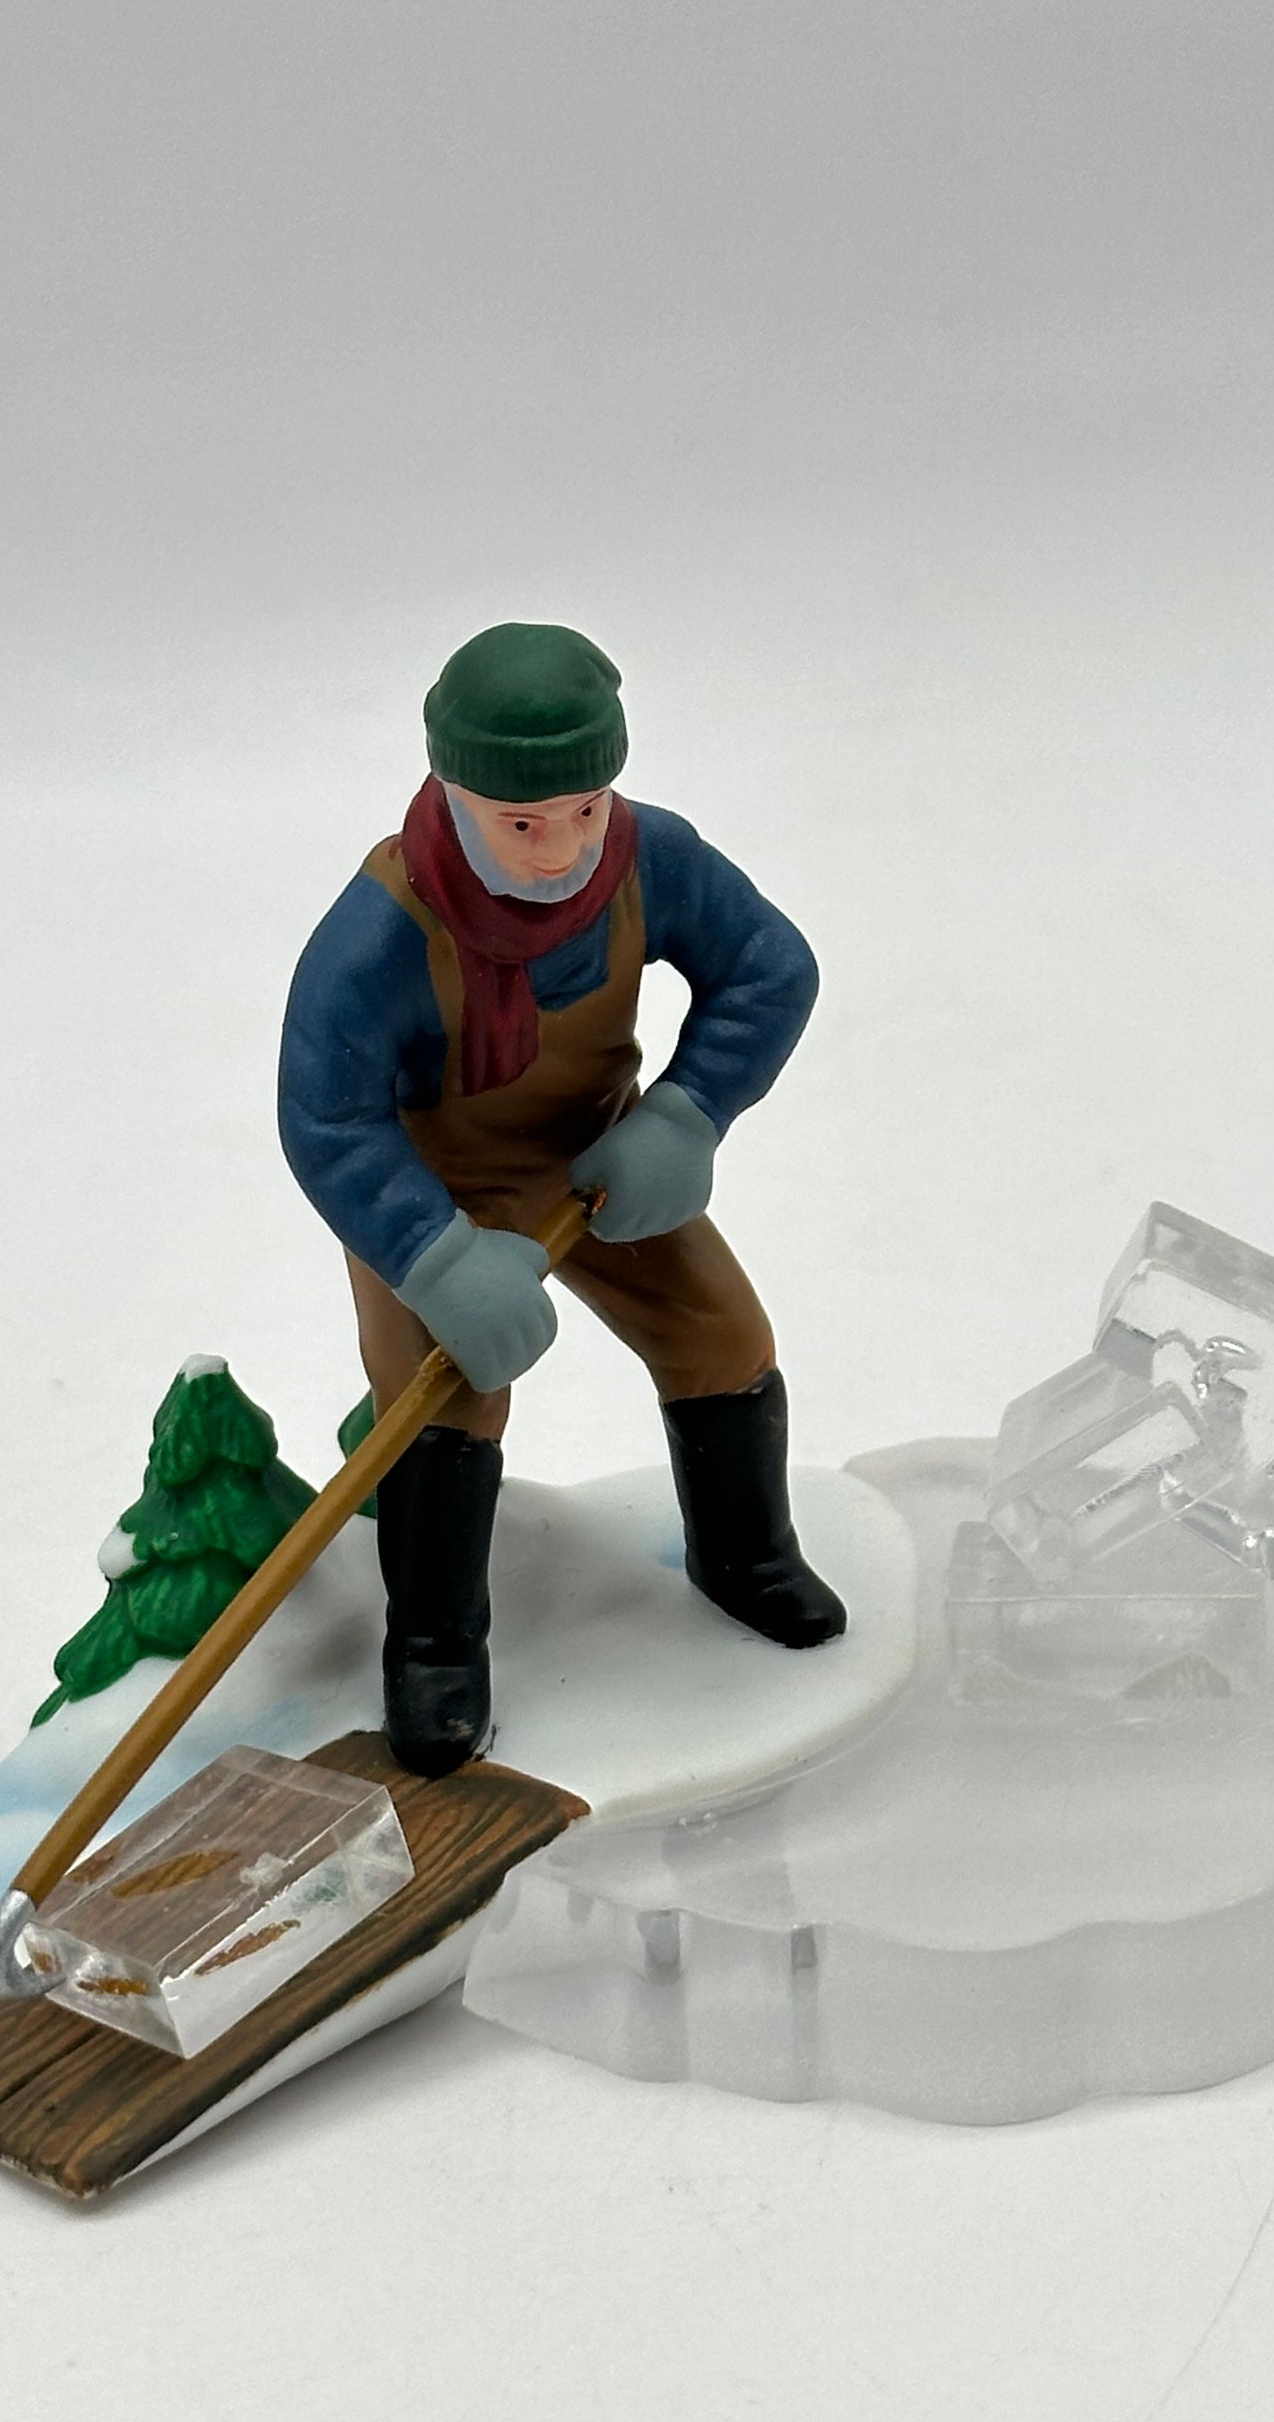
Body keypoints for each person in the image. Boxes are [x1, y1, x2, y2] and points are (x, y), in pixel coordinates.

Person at [279, 622, 845, 1776]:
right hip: (433, 1197)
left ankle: (742, 1554)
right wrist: (433, 1257)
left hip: (597, 1161)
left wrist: (687, 1113)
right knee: (444, 1405)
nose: (562, 848)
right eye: (523, 823)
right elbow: (325, 1117)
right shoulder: (381, 932)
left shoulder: (646, 861)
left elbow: (768, 967)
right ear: (455, 793)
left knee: (720, 1334)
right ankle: (432, 1644)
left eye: (585, 808)